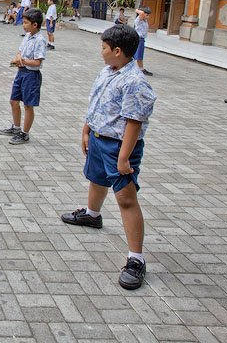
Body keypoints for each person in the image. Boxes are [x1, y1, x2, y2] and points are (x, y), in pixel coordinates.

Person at [60, 24, 156, 291]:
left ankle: (136, 259)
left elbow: (134, 122)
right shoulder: (107, 71)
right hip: (99, 139)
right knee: (96, 178)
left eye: (103, 48)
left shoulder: (135, 82)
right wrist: (87, 129)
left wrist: (124, 157)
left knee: (126, 199)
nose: (100, 52)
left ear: (117, 51)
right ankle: (92, 214)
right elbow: (97, 102)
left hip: (119, 147)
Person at [0, 8, 46, 145]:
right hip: (21, 72)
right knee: (13, 101)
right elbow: (19, 52)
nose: (23, 25)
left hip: (31, 75)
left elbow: (38, 62)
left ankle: (25, 134)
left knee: (28, 105)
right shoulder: (27, 36)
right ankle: (16, 127)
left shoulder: (40, 40)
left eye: (26, 23)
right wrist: (19, 58)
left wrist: (23, 61)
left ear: (35, 25)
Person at [133, 7, 152, 76]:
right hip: (139, 39)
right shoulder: (139, 20)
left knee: (136, 55)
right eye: (147, 15)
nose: (148, 17)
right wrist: (137, 10)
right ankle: (141, 69)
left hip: (141, 39)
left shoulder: (144, 20)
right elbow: (141, 13)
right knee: (139, 55)